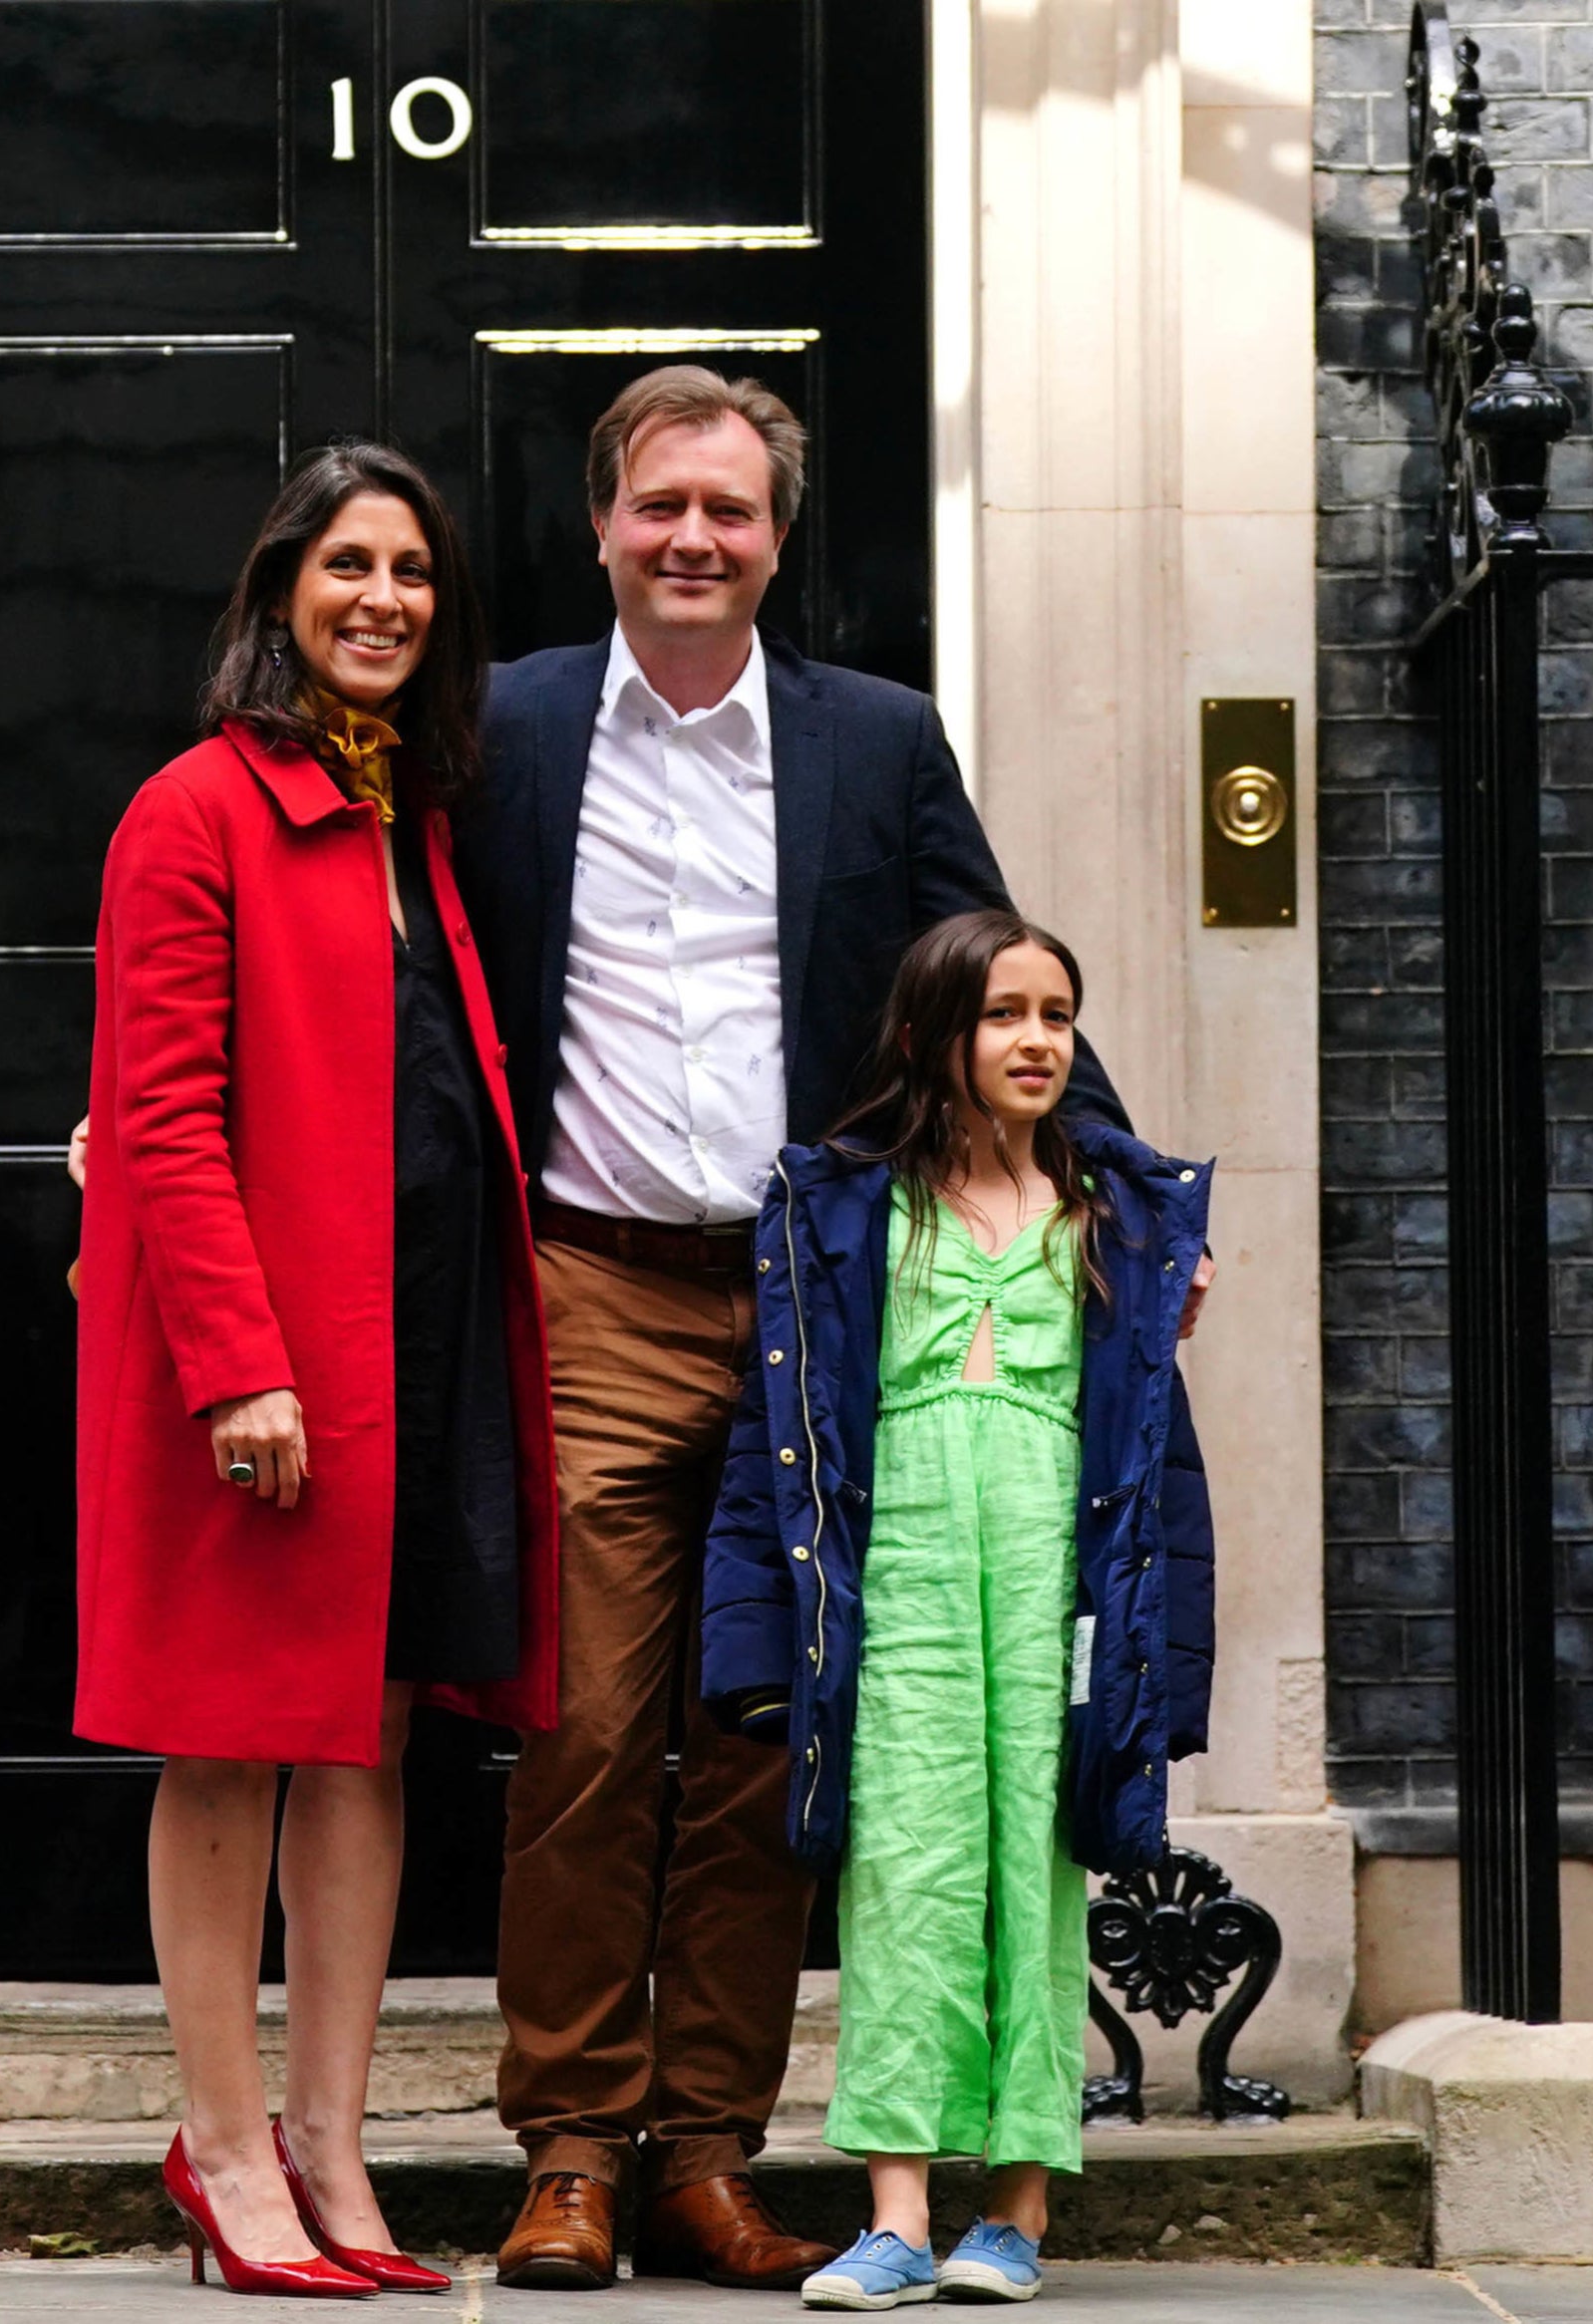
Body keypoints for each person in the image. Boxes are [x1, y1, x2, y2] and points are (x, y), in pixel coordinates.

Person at [453, 366, 1209, 2291]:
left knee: (772, 1725)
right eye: (660, 507)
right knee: (592, 1726)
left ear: (778, 539)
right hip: (593, 1284)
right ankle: (565, 2141)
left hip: (820, 1305)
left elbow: (990, 966)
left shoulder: (873, 740)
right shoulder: (515, 725)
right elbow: (377, 959)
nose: (694, 539)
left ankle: (709, 2142)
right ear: (606, 526)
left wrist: (1117, 1185)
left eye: (733, 511)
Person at [75, 442, 560, 2298]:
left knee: (368, 1746)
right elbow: (164, 1123)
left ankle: (336, 2154)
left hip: (414, 1339)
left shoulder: (411, 815)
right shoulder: (192, 812)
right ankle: (218, 2148)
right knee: (226, 1746)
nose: (385, 599)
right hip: (267, 1369)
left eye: (414, 571)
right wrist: (236, 1370)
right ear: (283, 588)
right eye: (350, 565)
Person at [698, 911, 1215, 2310]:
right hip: (903, 1580)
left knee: (1032, 1879)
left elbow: (1157, 1459)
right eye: (1005, 1015)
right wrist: (749, 1637)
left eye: (1058, 1013)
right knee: (905, 1878)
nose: (1039, 1040)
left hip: (1057, 1584)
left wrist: (1166, 1661)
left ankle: (1019, 2211)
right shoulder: (849, 1207)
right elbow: (779, 1433)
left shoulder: (1117, 1218)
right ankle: (897, 2213)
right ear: (936, 1037)